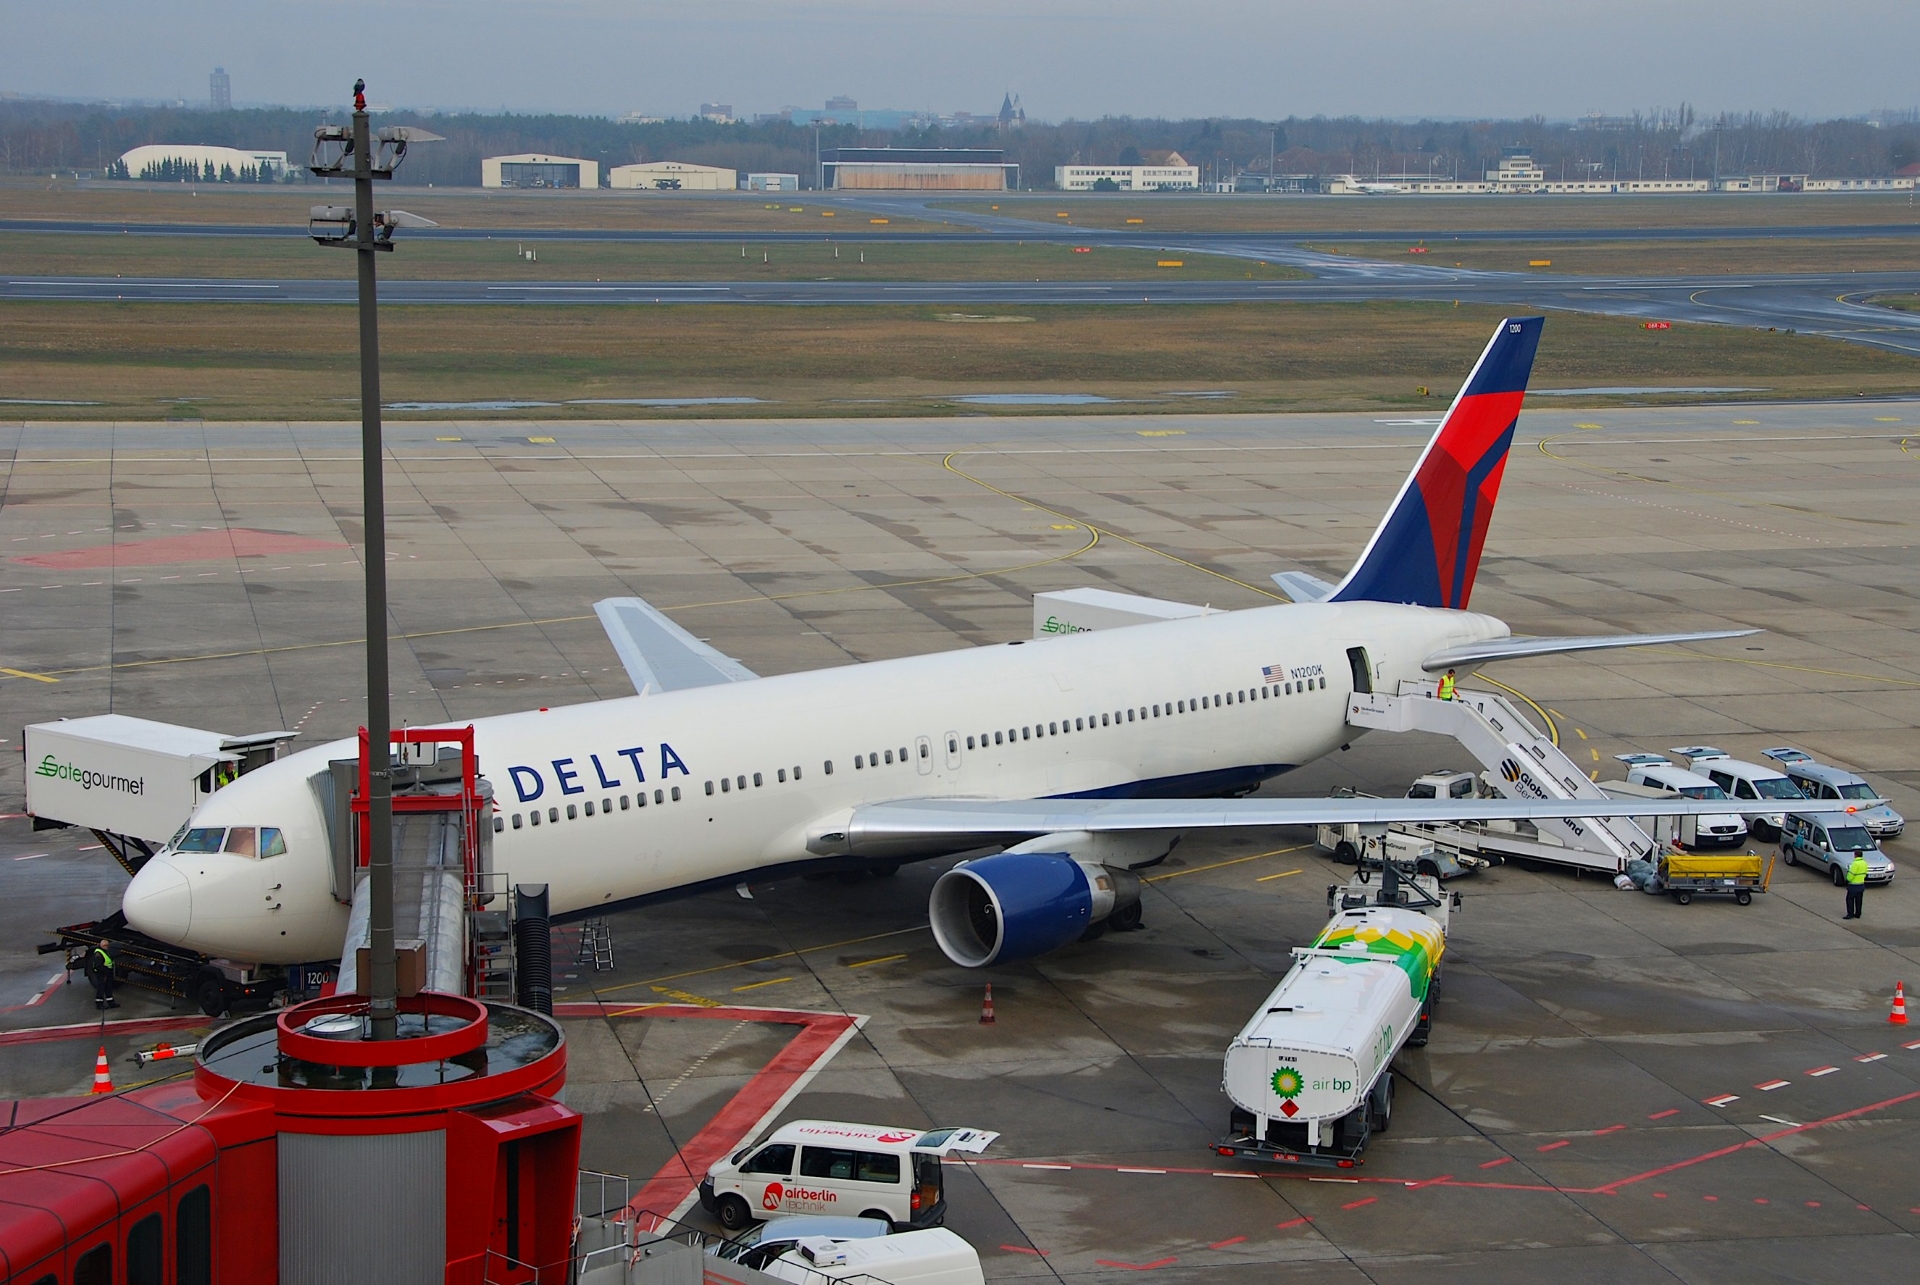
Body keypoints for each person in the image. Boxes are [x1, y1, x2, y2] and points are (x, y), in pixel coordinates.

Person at [86, 942, 118, 1010]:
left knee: (108, 988)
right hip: (102, 974)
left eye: (107, 945)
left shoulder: (105, 951)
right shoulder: (98, 954)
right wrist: (106, 972)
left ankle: (111, 1002)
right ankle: (99, 1004)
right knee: (101, 988)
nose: (107, 946)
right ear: (101, 945)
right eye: (105, 945)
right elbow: (98, 966)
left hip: (107, 973)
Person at [1844, 850, 1868, 920]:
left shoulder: (1855, 864)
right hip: (1861, 884)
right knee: (1859, 900)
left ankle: (1850, 914)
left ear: (1855, 855)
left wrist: (1847, 880)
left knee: (1849, 899)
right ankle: (1858, 913)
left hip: (1853, 886)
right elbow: (1865, 873)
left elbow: (1851, 874)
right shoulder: (1864, 863)